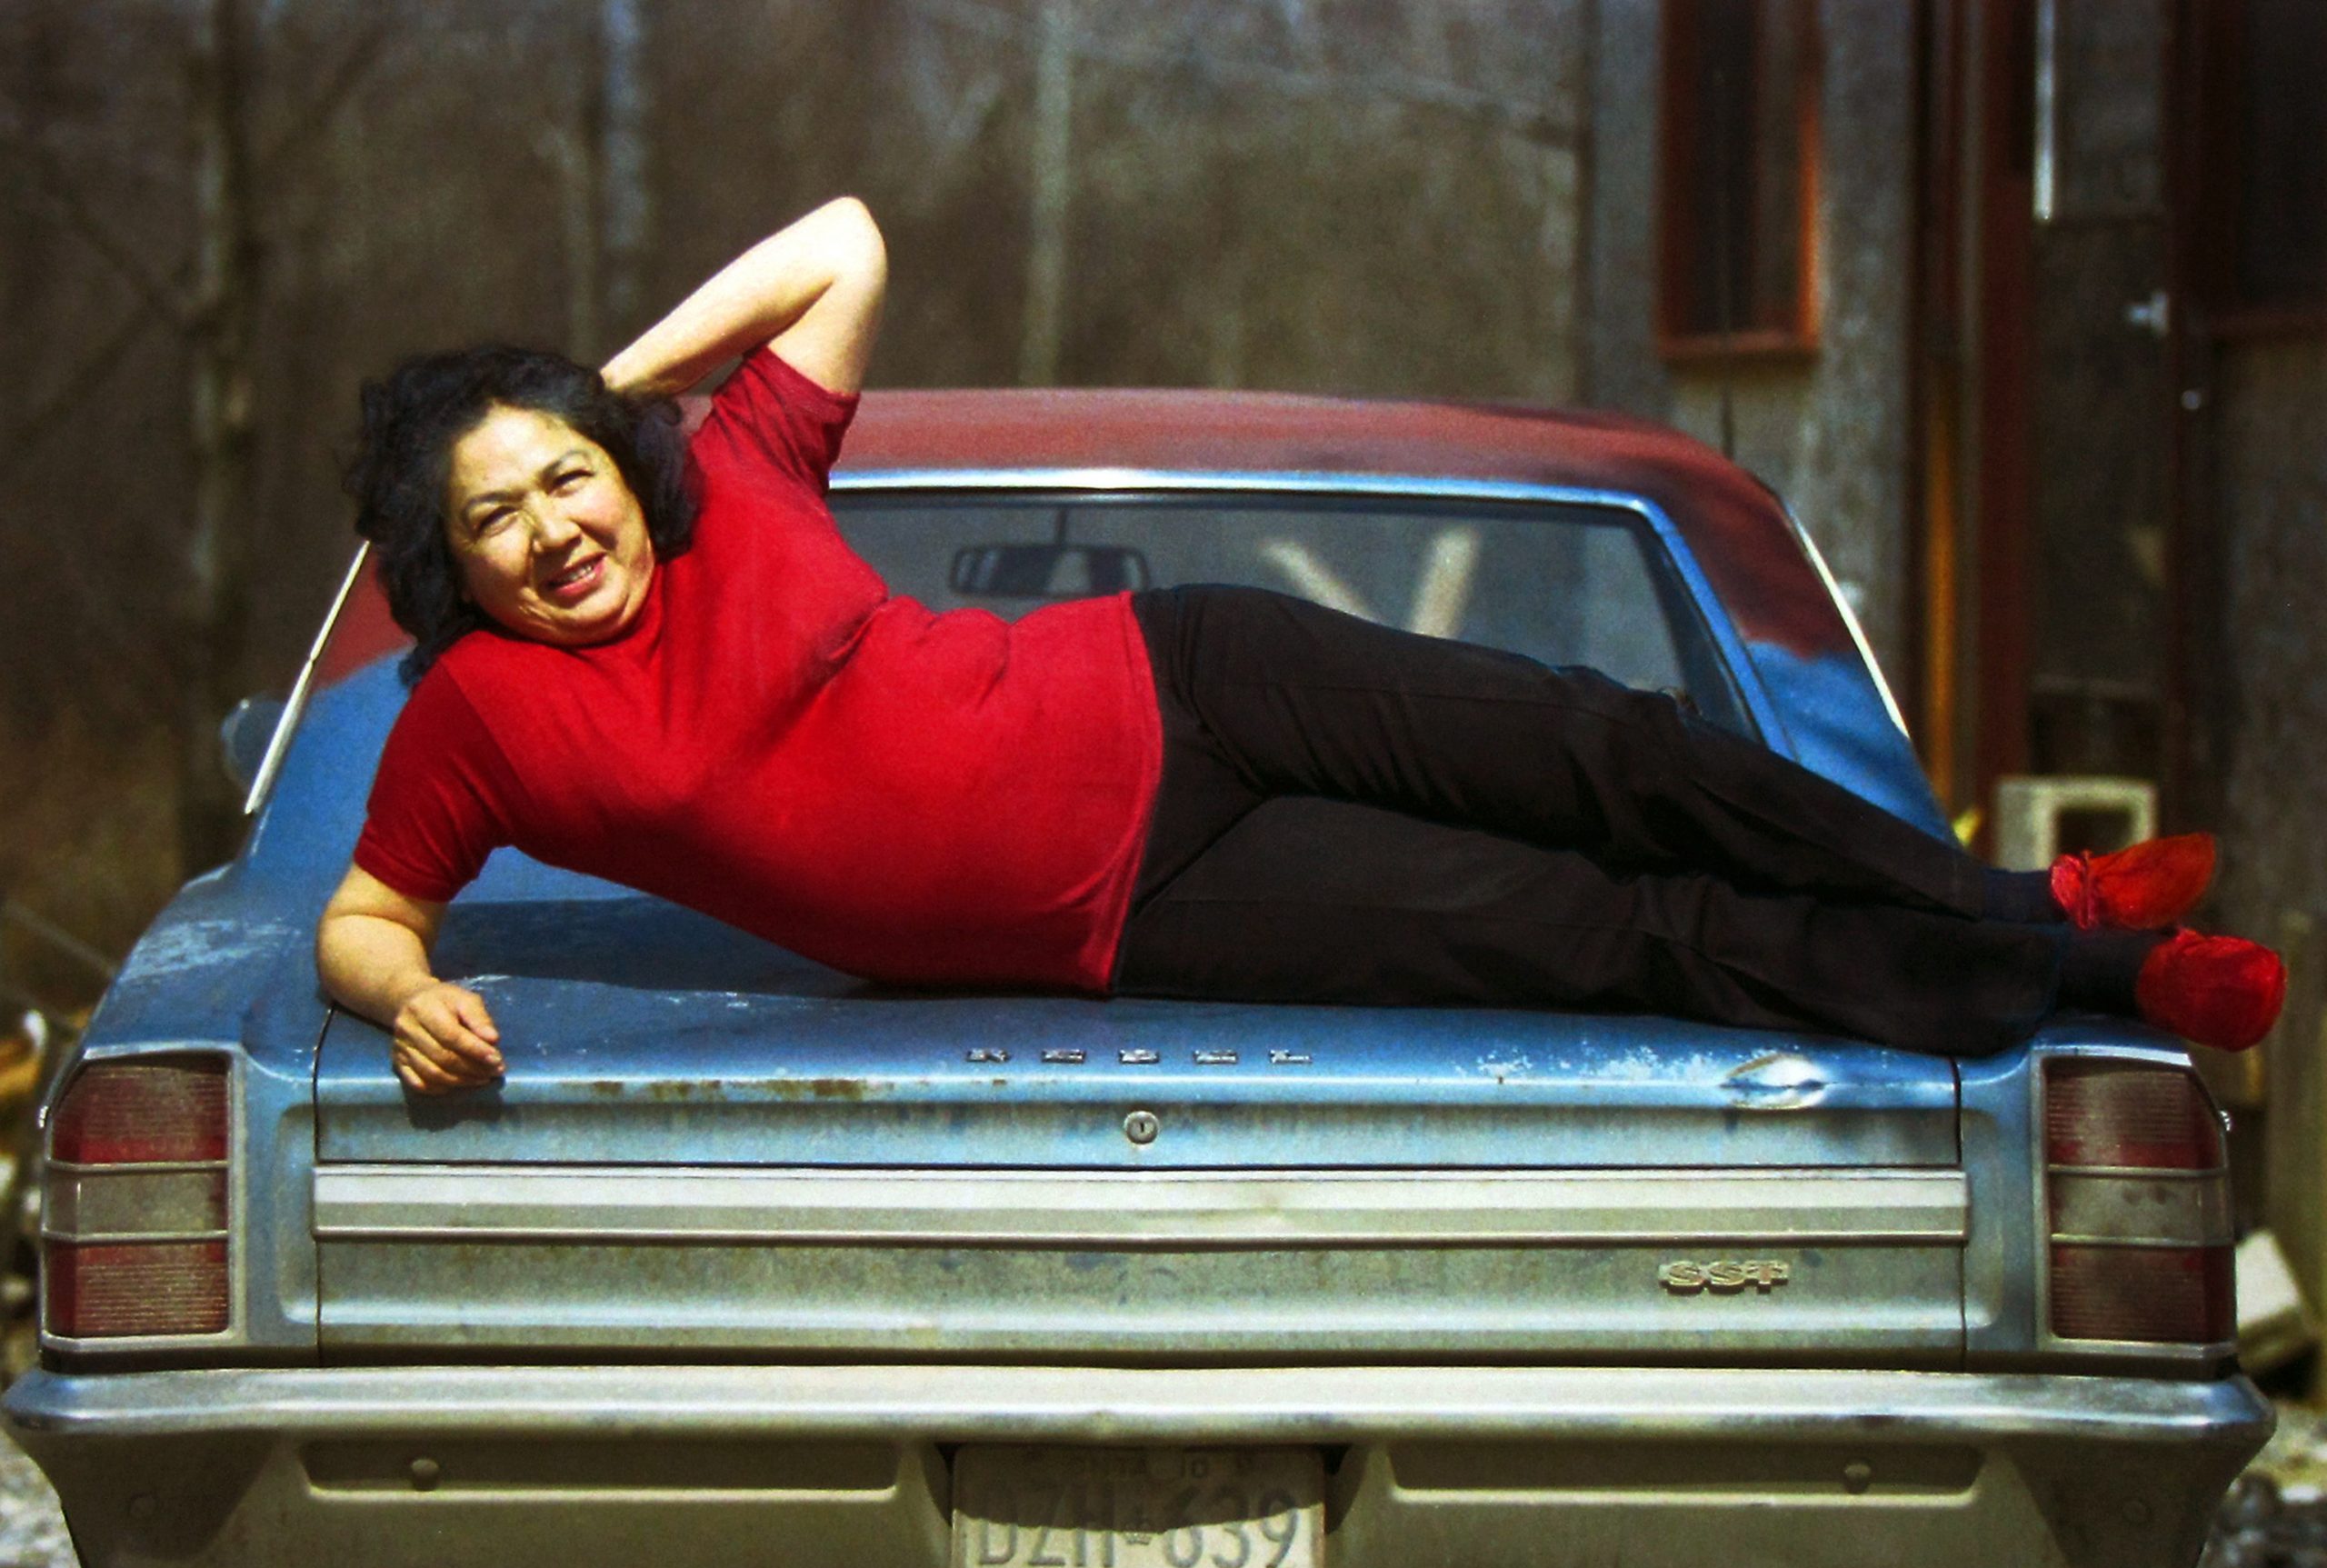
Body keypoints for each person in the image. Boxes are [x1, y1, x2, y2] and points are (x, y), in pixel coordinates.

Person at [317, 197, 2285, 1096]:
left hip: (1183, 671)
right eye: (489, 516)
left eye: (563, 476)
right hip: (1137, 900)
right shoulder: (480, 717)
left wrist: (606, 380)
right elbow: (363, 911)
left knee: (1615, 750)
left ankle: (2040, 902)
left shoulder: (731, 476)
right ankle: (2075, 982)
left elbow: (840, 238)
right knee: (1600, 930)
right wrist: (401, 992)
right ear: (445, 562)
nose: (551, 530)